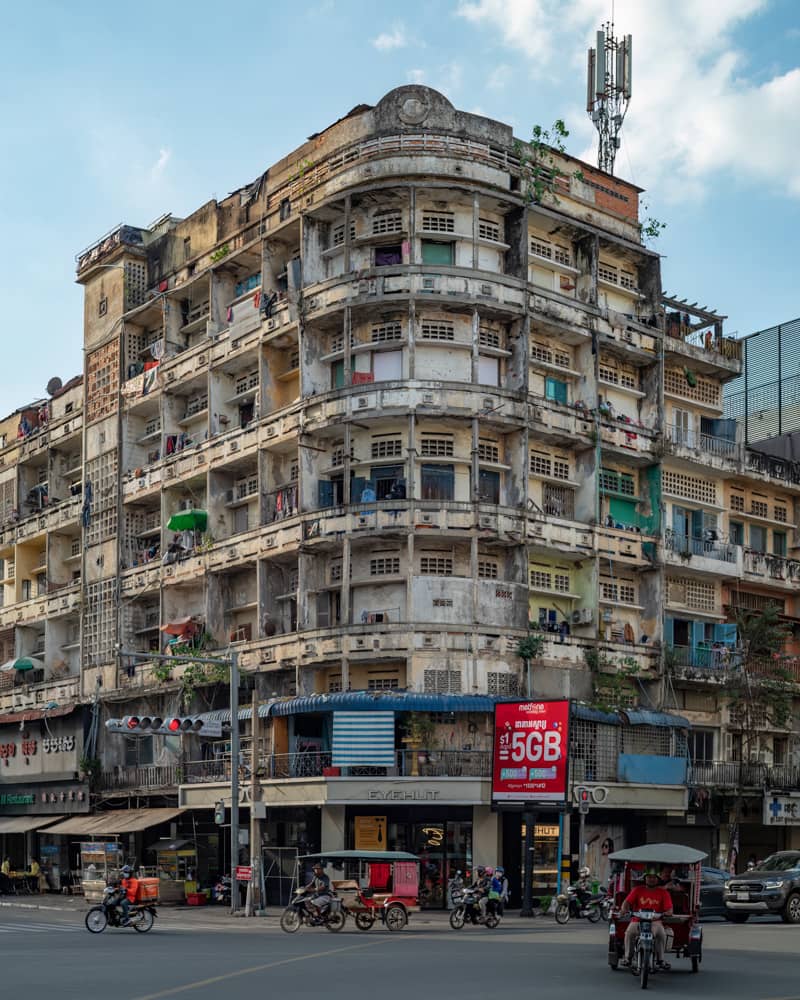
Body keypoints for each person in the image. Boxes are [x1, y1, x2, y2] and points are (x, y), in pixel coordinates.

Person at [619, 866, 673, 970]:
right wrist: (624, 909)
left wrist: (667, 913)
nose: (651, 879)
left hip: (655, 922)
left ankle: (660, 960)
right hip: (637, 920)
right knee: (629, 933)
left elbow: (669, 909)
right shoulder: (637, 890)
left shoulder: (663, 893)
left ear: (657, 879)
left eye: (654, 877)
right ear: (645, 878)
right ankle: (628, 958)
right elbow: (626, 902)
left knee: (661, 934)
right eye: (649, 877)